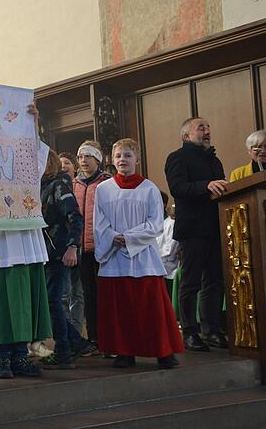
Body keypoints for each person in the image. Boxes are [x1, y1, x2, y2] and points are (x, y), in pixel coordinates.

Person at [0, 104, 52, 379]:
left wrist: (32, 124)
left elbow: (36, 157)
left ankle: (21, 355)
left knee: (25, 299)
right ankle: (3, 357)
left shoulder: (23, 157)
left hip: (23, 235)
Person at [95, 139, 184, 369]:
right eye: (118, 156)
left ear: (136, 159)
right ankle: (125, 352)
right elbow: (98, 222)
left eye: (127, 155)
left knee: (151, 308)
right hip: (114, 255)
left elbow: (155, 224)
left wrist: (129, 237)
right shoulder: (103, 190)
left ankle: (163, 352)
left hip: (144, 256)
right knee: (121, 309)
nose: (122, 160)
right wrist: (113, 236)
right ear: (111, 160)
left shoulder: (149, 188)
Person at [164, 117, 228, 352]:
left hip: (214, 228)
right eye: (201, 127)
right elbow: (177, 188)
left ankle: (212, 330)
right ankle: (189, 331)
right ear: (186, 136)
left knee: (214, 281)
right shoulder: (177, 157)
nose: (207, 131)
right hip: (192, 230)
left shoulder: (215, 160)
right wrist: (206, 185)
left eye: (209, 127)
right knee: (190, 282)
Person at [38, 149, 91, 369]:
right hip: (47, 253)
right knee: (52, 302)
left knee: (54, 302)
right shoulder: (42, 187)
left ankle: (64, 350)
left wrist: (72, 247)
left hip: (59, 252)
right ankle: (75, 343)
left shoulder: (58, 186)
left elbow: (75, 217)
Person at [73, 140, 111, 350]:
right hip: (82, 250)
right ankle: (94, 337)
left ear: (97, 159)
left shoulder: (107, 183)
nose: (83, 161)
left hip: (103, 248)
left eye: (88, 156)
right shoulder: (75, 184)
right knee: (88, 294)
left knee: (106, 294)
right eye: (80, 157)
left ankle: (109, 336)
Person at [58, 151, 85, 334]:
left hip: (82, 245)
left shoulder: (81, 186)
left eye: (67, 162)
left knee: (79, 293)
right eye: (60, 163)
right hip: (62, 246)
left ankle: (77, 330)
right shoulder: (56, 187)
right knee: (64, 294)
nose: (63, 166)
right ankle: (70, 335)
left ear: (74, 167)